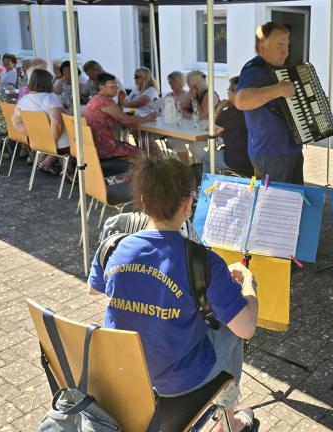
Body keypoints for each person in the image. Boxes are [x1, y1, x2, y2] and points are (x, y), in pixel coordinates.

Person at [87, 157, 258, 432]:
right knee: (232, 331)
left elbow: (94, 288)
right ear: (188, 204)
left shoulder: (112, 247)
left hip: (124, 373)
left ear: (142, 199)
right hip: (178, 384)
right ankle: (230, 423)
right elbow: (247, 327)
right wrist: (249, 285)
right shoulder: (204, 261)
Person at [235, 22, 302, 185]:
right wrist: (278, 90)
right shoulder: (255, 69)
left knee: (294, 205)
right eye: (280, 45)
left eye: (287, 45)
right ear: (262, 47)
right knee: (276, 207)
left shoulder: (278, 69)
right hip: (270, 153)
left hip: (289, 149)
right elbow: (241, 101)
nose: (286, 51)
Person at [83, 72, 157, 175]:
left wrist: (120, 103)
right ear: (102, 87)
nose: (116, 88)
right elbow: (126, 120)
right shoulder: (105, 101)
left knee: (130, 147)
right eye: (112, 86)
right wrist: (148, 118)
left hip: (90, 146)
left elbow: (118, 116)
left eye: (116, 85)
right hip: (103, 147)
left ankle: (125, 180)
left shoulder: (94, 100)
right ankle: (140, 184)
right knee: (139, 154)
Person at [13, 69, 71, 176]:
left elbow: (16, 123)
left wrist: (35, 134)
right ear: (48, 82)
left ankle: (46, 162)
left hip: (37, 142)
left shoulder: (23, 100)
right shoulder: (50, 98)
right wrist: (50, 141)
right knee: (80, 138)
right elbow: (57, 122)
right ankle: (67, 171)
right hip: (60, 144)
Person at [214, 76, 253, 177]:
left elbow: (212, 131)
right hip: (253, 162)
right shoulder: (253, 110)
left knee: (207, 157)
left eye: (228, 90)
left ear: (234, 92)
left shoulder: (229, 113)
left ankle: (206, 187)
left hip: (235, 162)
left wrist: (219, 109)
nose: (227, 93)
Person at [181, 70, 220, 166]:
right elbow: (182, 109)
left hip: (210, 130)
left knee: (196, 146)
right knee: (177, 140)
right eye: (189, 86)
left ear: (197, 84)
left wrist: (194, 99)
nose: (189, 88)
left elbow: (201, 115)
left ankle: (202, 168)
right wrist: (193, 115)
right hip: (196, 128)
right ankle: (187, 166)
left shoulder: (210, 94)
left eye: (191, 86)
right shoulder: (193, 92)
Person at [165, 71, 191, 165]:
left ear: (180, 82)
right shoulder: (168, 96)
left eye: (173, 82)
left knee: (177, 138)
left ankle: (186, 165)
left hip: (183, 127)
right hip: (170, 126)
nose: (171, 84)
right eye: (169, 82)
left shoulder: (187, 96)